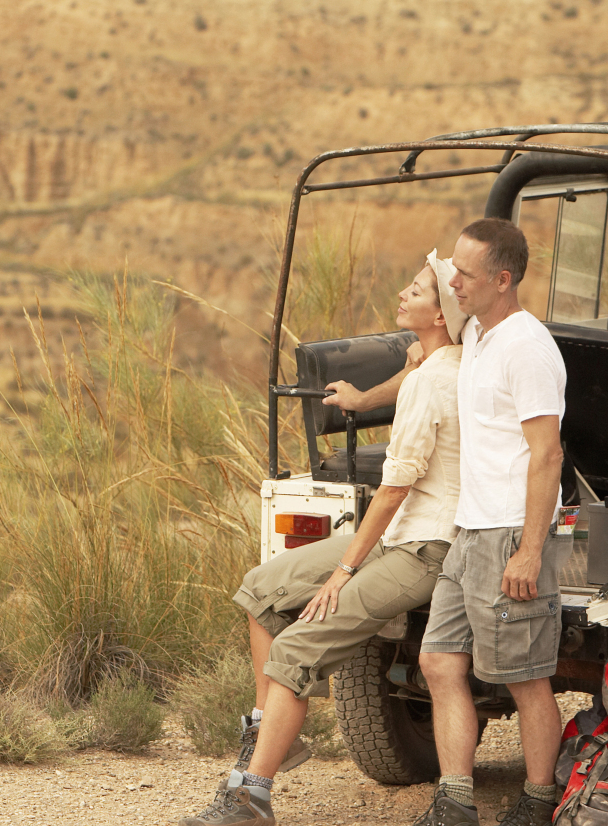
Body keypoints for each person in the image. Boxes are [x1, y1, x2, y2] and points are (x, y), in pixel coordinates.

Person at [178, 253, 470, 826]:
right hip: (402, 529)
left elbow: (390, 491)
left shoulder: (435, 383)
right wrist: (364, 401)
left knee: (295, 649)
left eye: (416, 290)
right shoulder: (437, 361)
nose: (403, 293)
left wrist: (343, 572)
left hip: (425, 546)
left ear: (440, 314)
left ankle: (250, 796)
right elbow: (412, 373)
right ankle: (276, 737)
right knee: (260, 590)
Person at [413, 217, 571, 826]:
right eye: (452, 269)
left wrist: (530, 551)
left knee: (524, 678)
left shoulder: (526, 348)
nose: (452, 281)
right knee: (439, 660)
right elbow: (436, 283)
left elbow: (547, 454)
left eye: (466, 274)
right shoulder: (477, 327)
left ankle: (537, 802)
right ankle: (456, 801)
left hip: (509, 531)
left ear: (503, 281)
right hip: (468, 531)